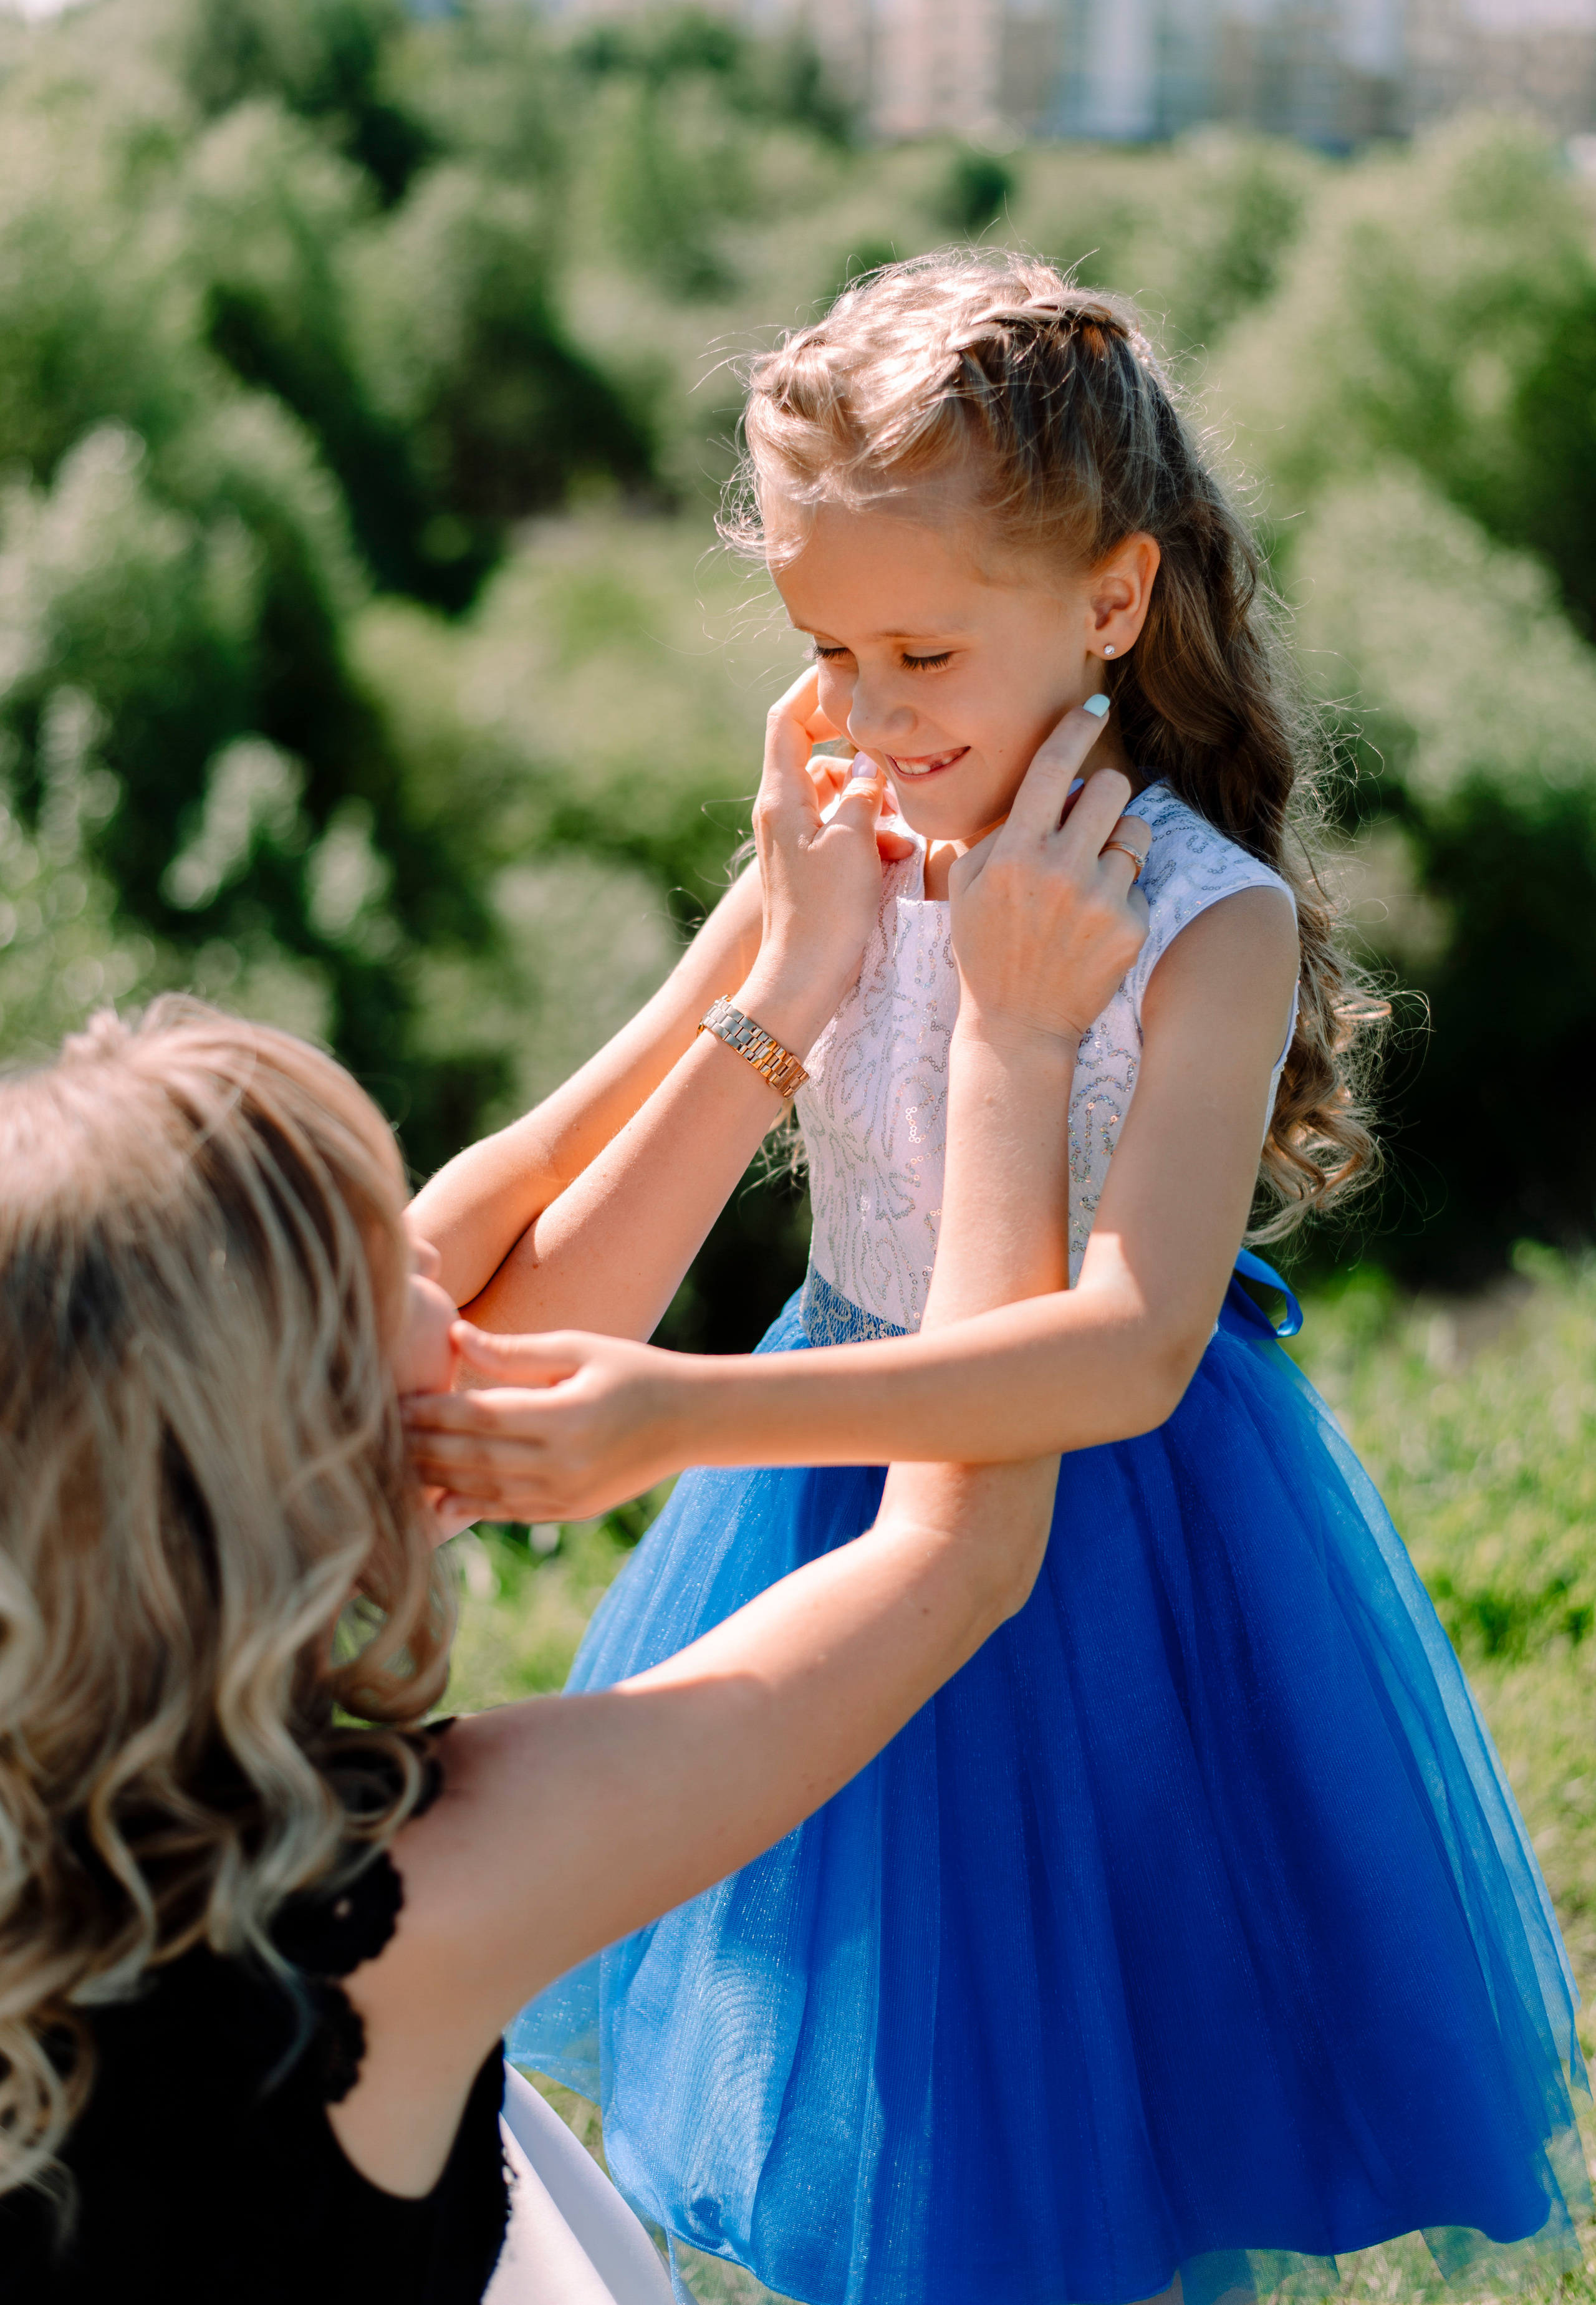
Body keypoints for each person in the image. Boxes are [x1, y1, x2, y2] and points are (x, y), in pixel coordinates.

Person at [406, 254, 1591, 2305]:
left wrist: (673, 1408)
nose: (866, 715)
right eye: (825, 649)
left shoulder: (1198, 924)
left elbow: (1126, 1351)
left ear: (1111, 603)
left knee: (1067, 2118)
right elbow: (532, 1251)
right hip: (819, 1509)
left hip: (1117, 1563)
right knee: (871, 2078)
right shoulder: (853, 823)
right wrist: (783, 955)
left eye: (924, 652)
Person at [0, 703, 1147, 2303]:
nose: (440, 1268)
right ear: (314, 1450)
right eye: (384, 1266)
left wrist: (775, 979)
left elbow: (506, 1236)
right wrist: (1012, 1047)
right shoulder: (416, 1898)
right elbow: (955, 1553)